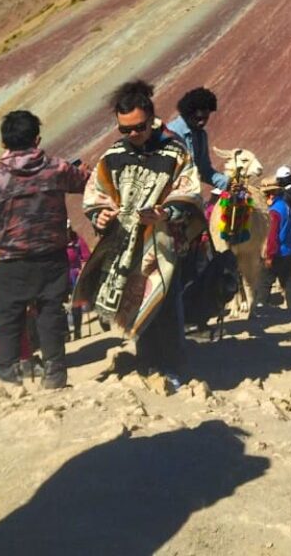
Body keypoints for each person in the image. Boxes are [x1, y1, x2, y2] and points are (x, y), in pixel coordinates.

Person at [82, 80, 203, 386]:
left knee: (166, 306)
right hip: (127, 246)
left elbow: (189, 192)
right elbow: (96, 195)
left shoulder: (176, 153)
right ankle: (147, 364)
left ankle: (174, 367)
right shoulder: (111, 157)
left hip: (164, 244)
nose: (133, 135)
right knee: (135, 305)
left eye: (138, 127)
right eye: (125, 130)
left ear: (151, 119)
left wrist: (167, 212)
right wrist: (101, 215)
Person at [0, 110, 89, 388]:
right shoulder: (57, 168)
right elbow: (85, 183)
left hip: (14, 259)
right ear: (37, 139)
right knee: (51, 312)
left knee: (8, 314)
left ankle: (7, 376)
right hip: (53, 256)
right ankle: (55, 375)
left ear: (4, 143)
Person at [165, 87, 229, 191]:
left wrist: (230, 184)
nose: (202, 122)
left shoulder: (201, 136)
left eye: (205, 118)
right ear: (187, 113)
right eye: (198, 118)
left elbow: (205, 171)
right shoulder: (171, 133)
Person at [255, 173, 291, 313]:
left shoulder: (273, 212)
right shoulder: (284, 205)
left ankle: (261, 305)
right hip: (288, 249)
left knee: (265, 279)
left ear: (270, 195)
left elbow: (272, 236)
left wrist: (269, 255)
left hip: (277, 251)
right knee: (288, 279)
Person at [65, 223, 90, 340]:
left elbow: (85, 257)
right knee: (60, 305)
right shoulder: (56, 241)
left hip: (74, 274)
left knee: (76, 303)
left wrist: (82, 271)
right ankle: (65, 333)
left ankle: (77, 331)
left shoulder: (78, 240)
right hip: (60, 275)